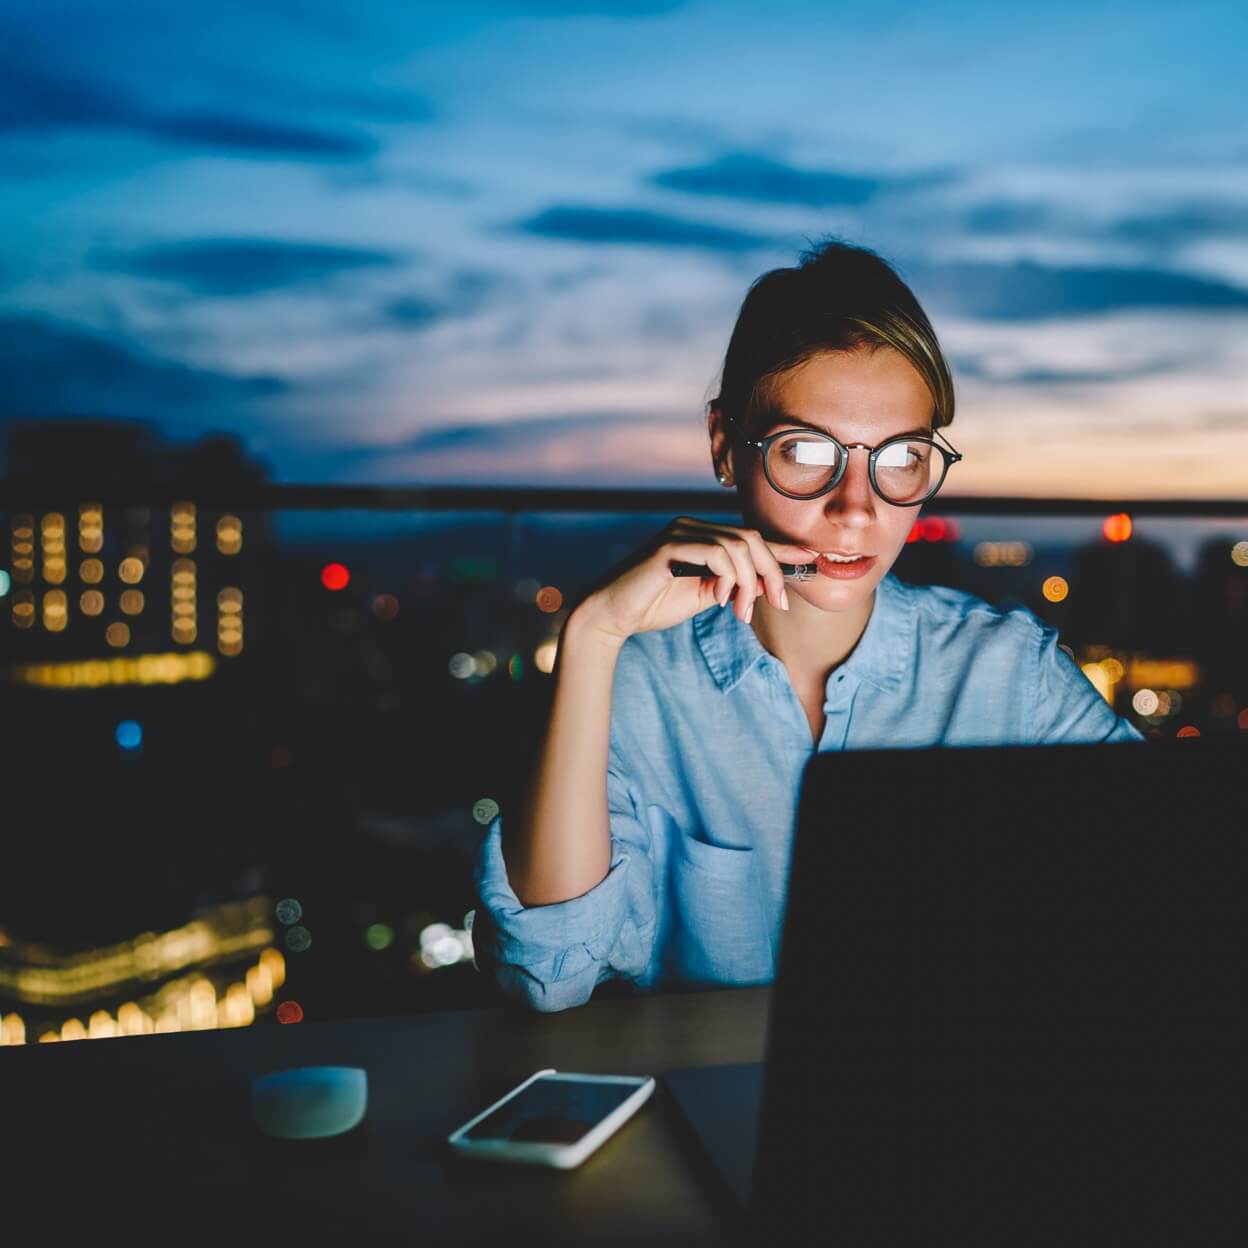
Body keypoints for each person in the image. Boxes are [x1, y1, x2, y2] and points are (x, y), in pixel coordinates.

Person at [472, 237, 1143, 1012]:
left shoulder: (1008, 673)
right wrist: (591, 636)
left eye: (900, 458)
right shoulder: (639, 677)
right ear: (726, 446)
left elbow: (1175, 884)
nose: (855, 508)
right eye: (807, 450)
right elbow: (547, 973)